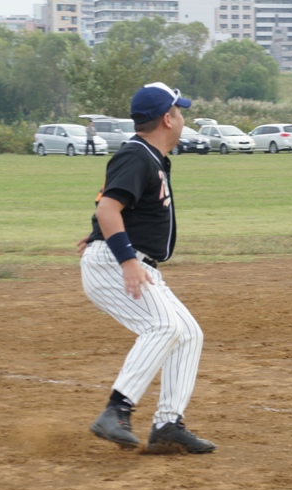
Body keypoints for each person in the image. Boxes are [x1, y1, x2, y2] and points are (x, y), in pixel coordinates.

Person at [78, 82, 215, 454]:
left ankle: (168, 424)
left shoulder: (148, 157)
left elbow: (114, 207)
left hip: (129, 260)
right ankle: (116, 411)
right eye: (179, 111)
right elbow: (107, 209)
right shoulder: (137, 156)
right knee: (164, 326)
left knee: (188, 333)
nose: (183, 117)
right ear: (167, 119)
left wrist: (99, 236)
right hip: (119, 264)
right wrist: (122, 257)